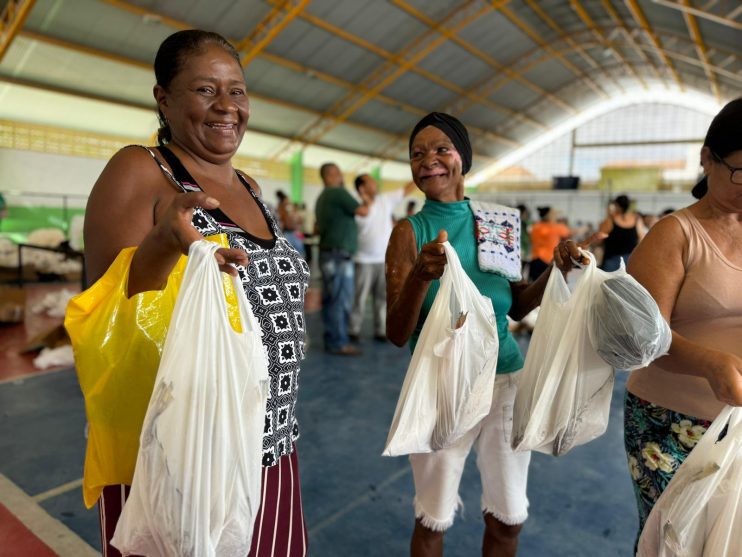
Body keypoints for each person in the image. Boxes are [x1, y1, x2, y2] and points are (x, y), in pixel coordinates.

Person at [83, 30, 309, 556]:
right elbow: (107, 318)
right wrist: (165, 241)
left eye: (237, 90)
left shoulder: (251, 186)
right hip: (182, 455)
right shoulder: (141, 171)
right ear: (163, 98)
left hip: (270, 445)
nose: (227, 106)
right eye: (205, 90)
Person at [385, 112, 588, 557]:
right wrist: (420, 275)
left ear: (464, 158)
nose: (428, 161)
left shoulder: (497, 222)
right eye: (417, 154)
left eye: (441, 149)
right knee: (432, 518)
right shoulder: (410, 232)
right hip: (441, 386)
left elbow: (516, 304)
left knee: (508, 516)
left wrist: (557, 271)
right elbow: (397, 333)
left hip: (504, 381)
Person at [623, 97, 742, 549]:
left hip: (736, 422)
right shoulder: (675, 234)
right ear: (707, 159)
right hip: (669, 422)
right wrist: (710, 363)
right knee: (673, 539)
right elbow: (641, 338)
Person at [349, 174, 415, 342]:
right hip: (363, 260)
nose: (375, 183)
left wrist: (420, 173)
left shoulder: (385, 200)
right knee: (359, 298)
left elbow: (407, 189)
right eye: (371, 182)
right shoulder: (355, 205)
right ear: (362, 187)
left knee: (382, 298)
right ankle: (353, 329)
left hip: (383, 259)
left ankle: (380, 331)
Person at [314, 162, 370, 355]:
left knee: (331, 299)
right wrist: (365, 197)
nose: (341, 177)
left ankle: (332, 339)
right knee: (341, 300)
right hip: (339, 256)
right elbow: (363, 211)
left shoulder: (322, 198)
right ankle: (339, 343)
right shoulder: (338, 193)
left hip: (327, 252)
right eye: (339, 173)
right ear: (331, 175)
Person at [598, 194, 646, 271]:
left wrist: (608, 215)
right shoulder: (637, 219)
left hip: (612, 260)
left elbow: (599, 239)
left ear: (616, 205)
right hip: (631, 260)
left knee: (608, 282)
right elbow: (642, 239)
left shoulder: (610, 220)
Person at [528, 206, 570, 282]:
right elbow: (568, 232)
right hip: (547, 261)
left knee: (534, 285)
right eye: (553, 214)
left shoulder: (535, 227)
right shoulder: (555, 227)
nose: (555, 216)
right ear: (549, 215)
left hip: (535, 259)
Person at [276, 189, 306, 257]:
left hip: (294, 232)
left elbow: (299, 220)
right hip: (289, 232)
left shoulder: (288, 208)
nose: (288, 202)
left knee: (299, 252)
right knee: (291, 252)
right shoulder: (282, 208)